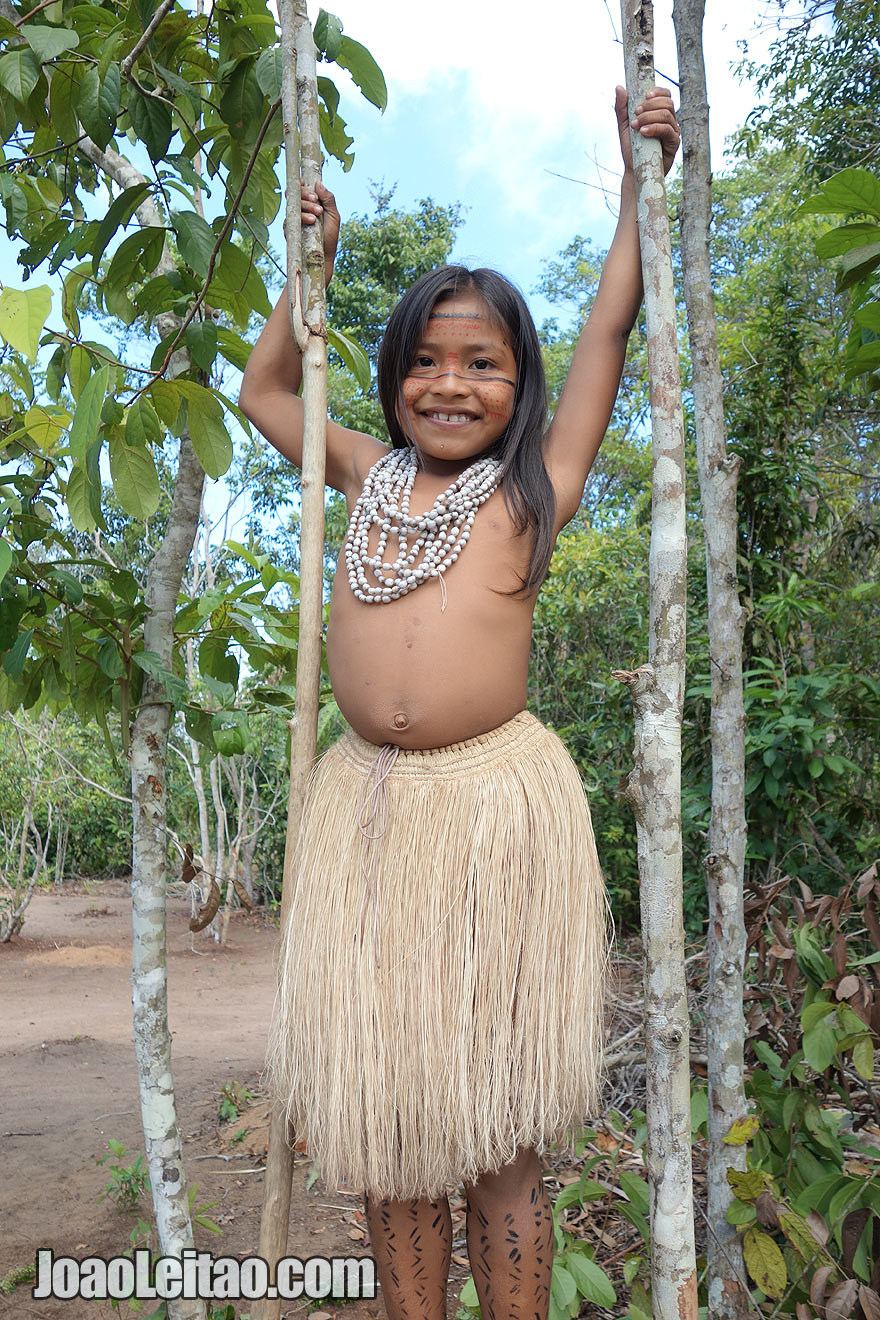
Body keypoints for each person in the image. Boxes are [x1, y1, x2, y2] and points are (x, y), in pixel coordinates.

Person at [239, 85, 680, 1320]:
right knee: (386, 1128)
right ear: (387, 380)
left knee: (498, 1139)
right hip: (365, 817)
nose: (449, 384)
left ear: (516, 383)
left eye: (481, 363)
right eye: (424, 361)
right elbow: (269, 393)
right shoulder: (365, 472)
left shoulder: (534, 487)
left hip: (491, 819)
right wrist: (305, 271)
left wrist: (638, 178)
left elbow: (604, 334)